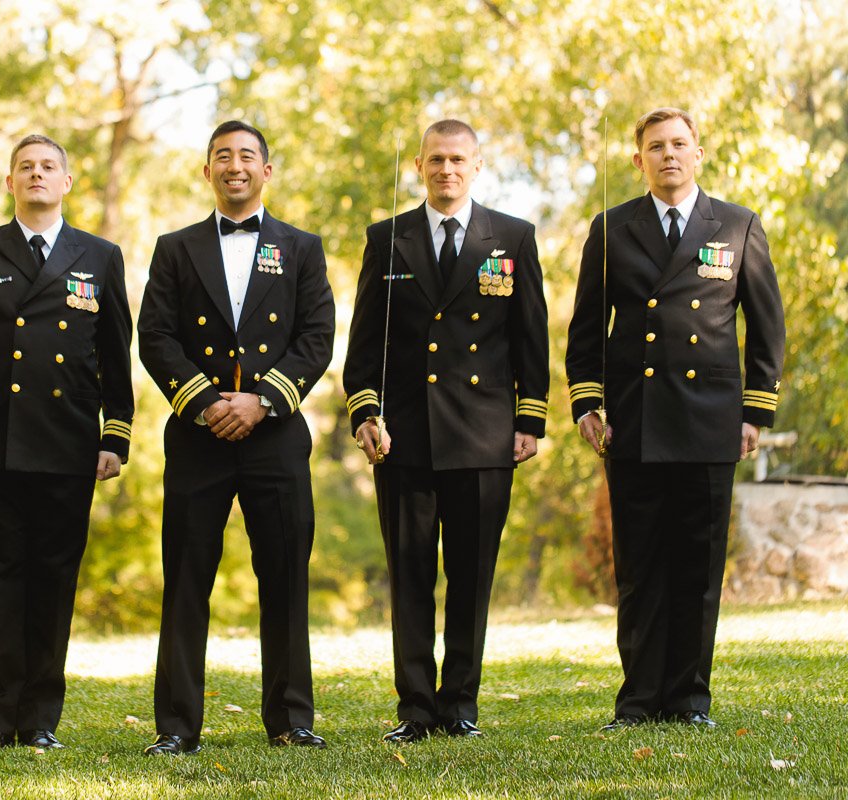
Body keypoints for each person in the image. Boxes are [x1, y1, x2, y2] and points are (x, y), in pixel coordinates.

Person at [565, 107, 785, 730]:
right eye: (656, 146)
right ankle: (636, 703)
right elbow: (586, 331)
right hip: (632, 422)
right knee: (638, 569)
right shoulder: (611, 228)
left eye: (679, 144)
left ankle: (689, 700)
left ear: (699, 153)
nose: (668, 154)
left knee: (698, 567)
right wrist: (587, 402)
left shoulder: (738, 226)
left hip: (711, 421)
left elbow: (767, 327)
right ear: (638, 160)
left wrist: (755, 413)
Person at [343, 119, 549, 743]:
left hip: (484, 437)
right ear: (418, 165)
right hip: (403, 438)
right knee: (409, 580)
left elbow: (530, 337)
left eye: (458, 159)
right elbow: (364, 343)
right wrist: (364, 413)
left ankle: (459, 706)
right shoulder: (389, 238)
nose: (447, 169)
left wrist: (530, 419)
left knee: (470, 578)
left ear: (478, 165)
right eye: (436, 159)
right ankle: (414, 710)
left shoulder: (512, 236)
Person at [0, 135, 134, 754]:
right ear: (11, 183)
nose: (37, 175)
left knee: (53, 579)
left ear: (67, 182)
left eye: (48, 167)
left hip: (67, 444)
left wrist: (114, 434)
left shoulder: (100, 256)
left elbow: (114, 354)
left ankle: (41, 717)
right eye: (26, 167)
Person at [137, 120, 335, 755]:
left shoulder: (302, 247)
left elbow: (317, 336)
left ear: (267, 171)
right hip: (198, 433)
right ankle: (176, 727)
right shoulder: (174, 247)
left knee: (285, 577)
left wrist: (265, 399)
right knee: (187, 578)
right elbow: (156, 334)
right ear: (207, 171)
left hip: (275, 434)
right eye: (222, 156)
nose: (235, 166)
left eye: (247, 156)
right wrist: (204, 400)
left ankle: (291, 719)